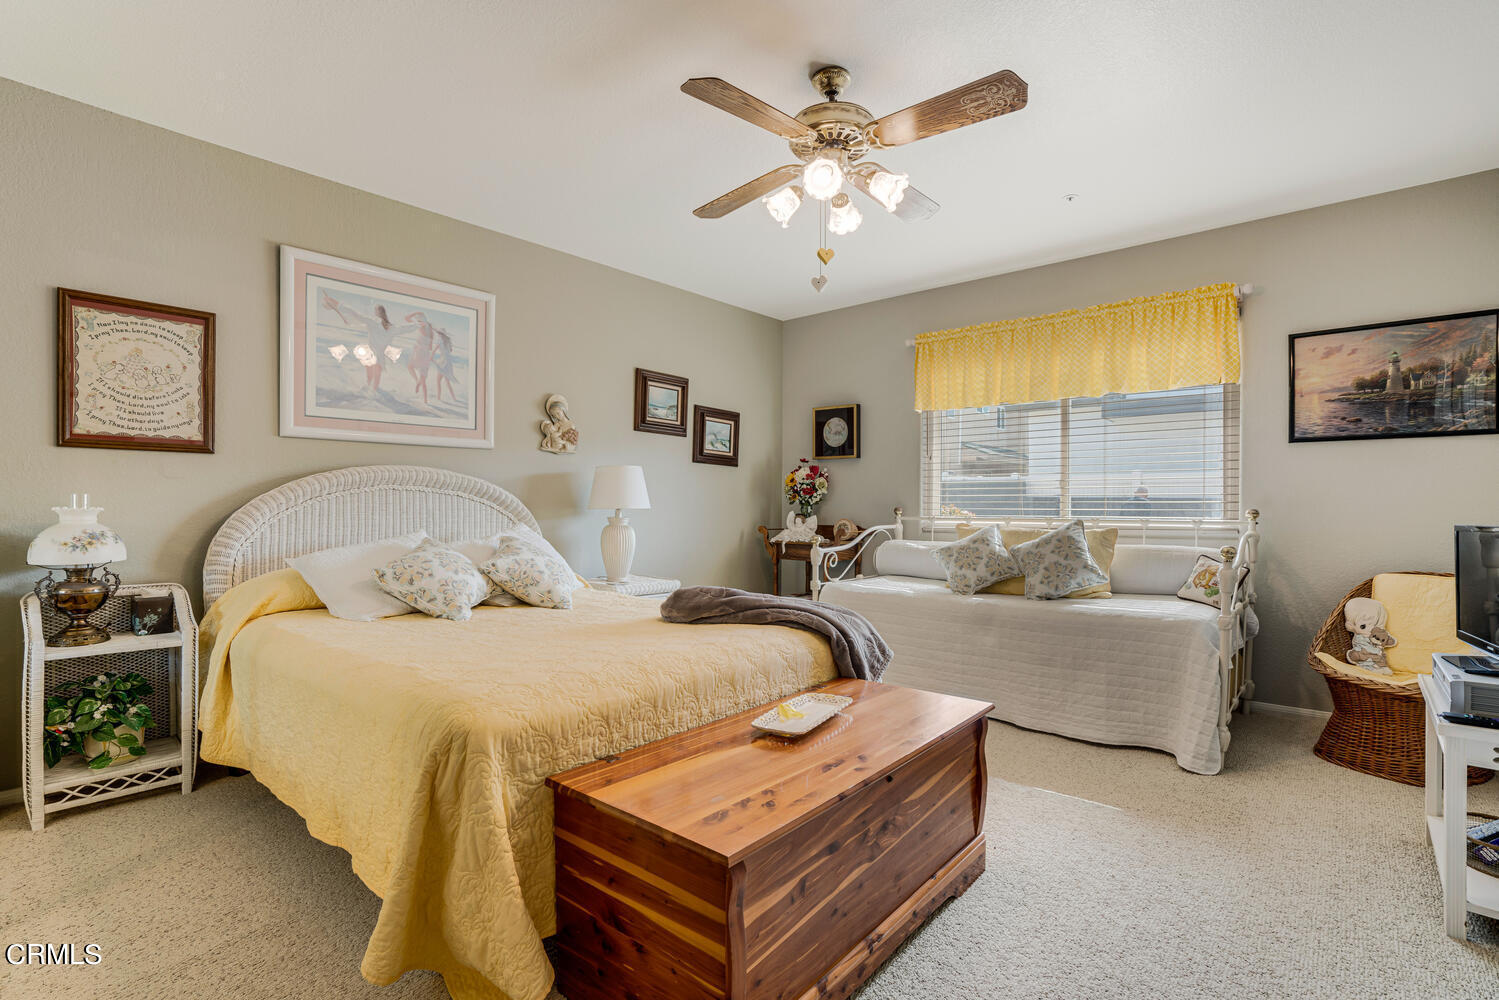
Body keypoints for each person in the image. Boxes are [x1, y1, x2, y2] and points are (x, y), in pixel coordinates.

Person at [322, 291, 405, 393]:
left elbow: (358, 316)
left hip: (375, 352)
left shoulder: (375, 322)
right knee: (373, 372)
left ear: (378, 313)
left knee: (372, 371)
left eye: (375, 310)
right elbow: (361, 322)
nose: (374, 312)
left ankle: (372, 390)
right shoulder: (385, 325)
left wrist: (339, 306)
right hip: (375, 351)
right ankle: (372, 389)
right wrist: (349, 321)